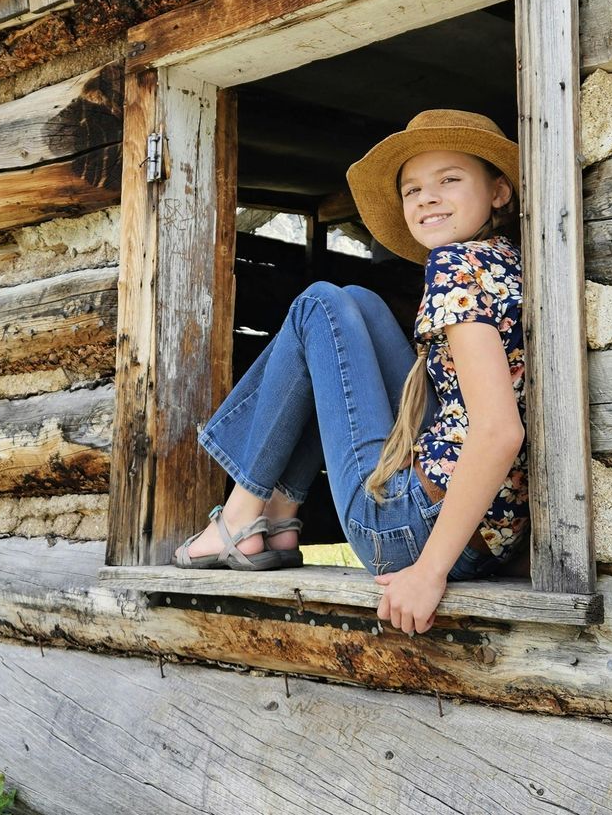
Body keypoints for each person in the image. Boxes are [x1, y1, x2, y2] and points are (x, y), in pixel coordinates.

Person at [171, 108, 532, 636]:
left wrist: (428, 573)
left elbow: (500, 431)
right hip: (486, 540)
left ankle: (242, 515)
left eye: (449, 179)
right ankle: (280, 514)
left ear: (499, 192)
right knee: (355, 304)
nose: (427, 197)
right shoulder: (510, 261)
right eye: (412, 189)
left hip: (411, 534)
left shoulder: (455, 265)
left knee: (318, 305)